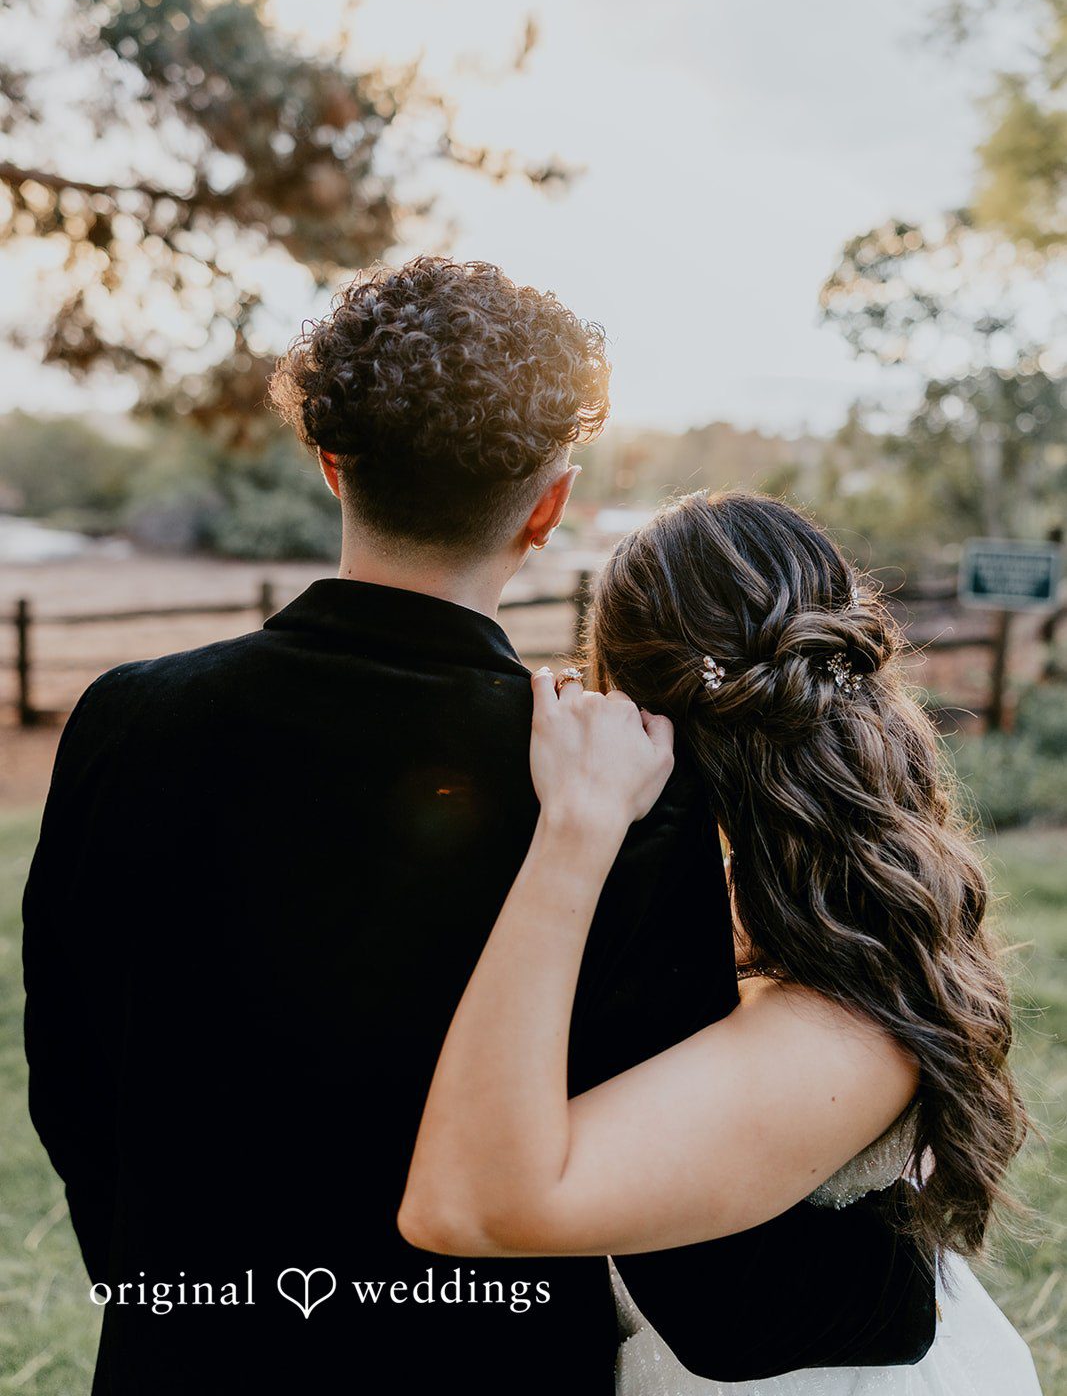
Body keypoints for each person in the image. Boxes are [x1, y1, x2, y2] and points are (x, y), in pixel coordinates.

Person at [23, 257, 746, 1395]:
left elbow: (68, 1070)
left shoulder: (131, 719)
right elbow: (643, 1153)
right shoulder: (618, 784)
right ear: (549, 504)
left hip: (188, 1349)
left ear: (329, 464)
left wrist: (165, 1289)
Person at [400, 490, 1043, 1395]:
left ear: (627, 699)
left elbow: (464, 1203)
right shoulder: (749, 894)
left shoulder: (847, 1004)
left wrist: (578, 828)